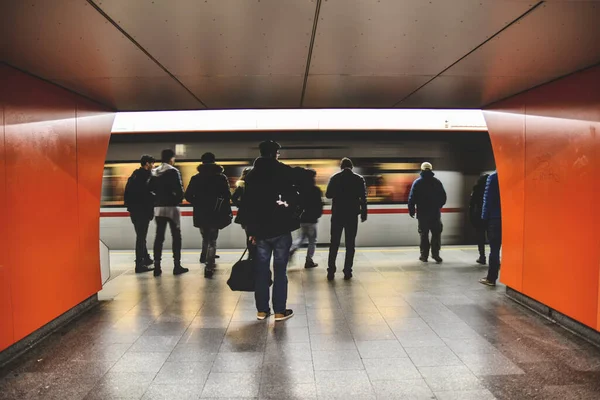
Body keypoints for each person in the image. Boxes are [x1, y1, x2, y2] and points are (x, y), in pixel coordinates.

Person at [244, 140, 304, 322]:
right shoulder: (283, 171)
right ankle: (279, 311)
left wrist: (251, 231)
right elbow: (300, 189)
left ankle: (262, 311)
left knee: (261, 271)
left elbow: (248, 205)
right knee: (280, 271)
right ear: (275, 153)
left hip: (260, 231)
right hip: (281, 229)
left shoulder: (252, 175)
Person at [185, 152, 232, 278]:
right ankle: (209, 266)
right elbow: (227, 196)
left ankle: (204, 256)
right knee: (212, 239)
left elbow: (188, 195)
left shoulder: (196, 178)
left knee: (205, 237)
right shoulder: (221, 178)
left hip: (201, 213)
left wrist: (198, 202)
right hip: (216, 213)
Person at [326, 157, 368, 281]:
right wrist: (364, 213)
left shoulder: (335, 178)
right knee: (350, 244)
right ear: (352, 167)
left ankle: (331, 271)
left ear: (341, 167)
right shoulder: (359, 179)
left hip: (338, 214)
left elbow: (328, 194)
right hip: (352, 215)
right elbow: (363, 198)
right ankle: (347, 271)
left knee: (334, 243)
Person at [151, 149, 188, 276]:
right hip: (172, 208)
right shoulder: (173, 171)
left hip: (158, 208)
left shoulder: (155, 171)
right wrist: (177, 199)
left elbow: (150, 188)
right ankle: (176, 266)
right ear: (171, 158)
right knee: (176, 236)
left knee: (159, 237)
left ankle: (157, 266)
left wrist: (157, 200)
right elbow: (179, 190)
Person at [408, 162, 447, 263]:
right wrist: (438, 206)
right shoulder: (437, 182)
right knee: (436, 234)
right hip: (435, 214)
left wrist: (412, 210)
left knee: (424, 235)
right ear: (431, 169)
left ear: (421, 170)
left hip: (422, 214)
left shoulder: (417, 183)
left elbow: (412, 198)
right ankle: (436, 255)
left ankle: (424, 256)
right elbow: (443, 197)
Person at [124, 155, 156, 273]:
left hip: (134, 211)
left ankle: (146, 258)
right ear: (147, 164)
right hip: (143, 211)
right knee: (141, 237)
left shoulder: (133, 176)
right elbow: (149, 194)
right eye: (152, 164)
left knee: (141, 235)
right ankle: (139, 264)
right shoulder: (147, 176)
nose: (153, 166)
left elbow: (126, 194)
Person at [290, 169, 323, 269]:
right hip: (312, 219)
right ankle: (309, 260)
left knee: (301, 238)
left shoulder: (301, 189)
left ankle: (292, 249)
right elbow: (319, 205)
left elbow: (298, 204)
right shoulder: (315, 190)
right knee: (312, 241)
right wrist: (317, 214)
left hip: (302, 219)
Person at [479, 171, 501, 286]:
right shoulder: (512, 175)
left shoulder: (493, 177)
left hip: (495, 219)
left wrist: (484, 218)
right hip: (511, 219)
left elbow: (487, 200)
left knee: (495, 249)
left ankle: (491, 278)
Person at [232, 167, 256, 259]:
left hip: (245, 215)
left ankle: (251, 254)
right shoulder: (258, 185)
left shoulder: (242, 186)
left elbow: (233, 198)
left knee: (249, 235)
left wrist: (240, 205)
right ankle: (254, 254)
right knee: (257, 235)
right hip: (256, 214)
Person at [469, 174, 490, 265]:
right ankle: (494, 257)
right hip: (490, 216)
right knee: (492, 238)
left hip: (479, 216)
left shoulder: (476, 189)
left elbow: (472, 203)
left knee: (480, 237)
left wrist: (471, 216)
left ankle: (482, 256)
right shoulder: (491, 189)